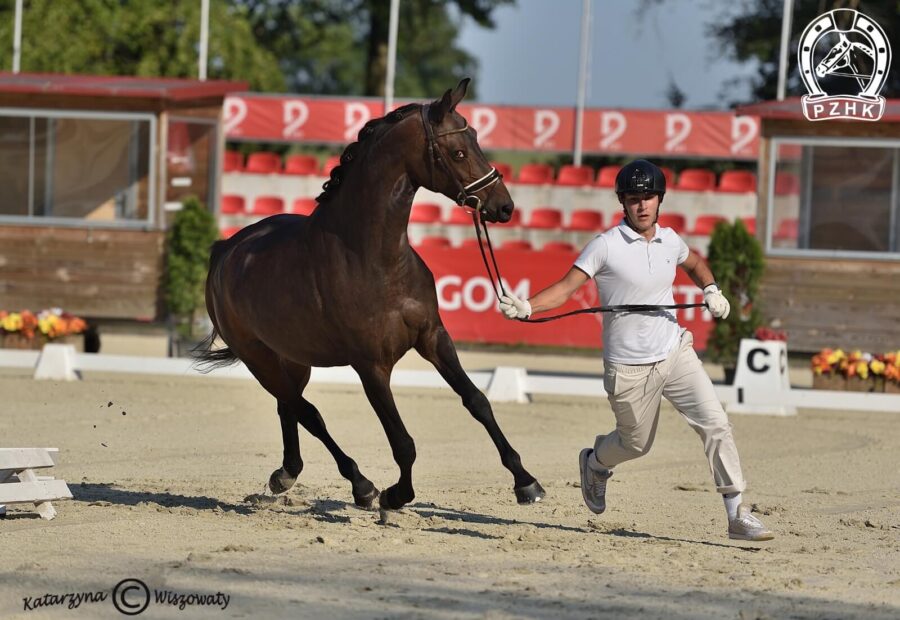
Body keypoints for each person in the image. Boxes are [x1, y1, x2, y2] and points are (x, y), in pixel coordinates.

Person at [499, 159, 773, 541]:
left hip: (675, 350)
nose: (642, 205)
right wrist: (528, 307)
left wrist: (711, 289)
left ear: (660, 199)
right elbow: (565, 288)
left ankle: (737, 514)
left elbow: (694, 263)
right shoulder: (605, 245)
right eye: (633, 198)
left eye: (648, 197)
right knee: (635, 444)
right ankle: (595, 463)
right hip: (629, 367)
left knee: (716, 423)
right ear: (622, 203)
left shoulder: (670, 240)